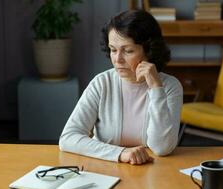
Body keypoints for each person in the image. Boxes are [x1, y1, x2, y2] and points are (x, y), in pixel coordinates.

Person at [59, 10, 183, 165]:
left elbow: (162, 148)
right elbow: (68, 137)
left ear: (149, 50)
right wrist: (121, 153)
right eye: (113, 50)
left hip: (150, 172)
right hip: (104, 170)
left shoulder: (170, 86)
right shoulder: (101, 83)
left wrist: (156, 89)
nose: (118, 59)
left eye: (128, 51)